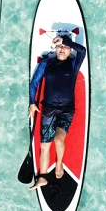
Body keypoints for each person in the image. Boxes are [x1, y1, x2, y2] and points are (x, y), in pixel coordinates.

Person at [28, 33, 86, 190]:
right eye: (60, 46)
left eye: (66, 47)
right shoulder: (46, 63)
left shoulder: (73, 64)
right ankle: (43, 177)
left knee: (58, 139)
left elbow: (82, 51)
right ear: (55, 48)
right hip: (48, 110)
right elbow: (34, 83)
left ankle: (59, 163)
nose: (63, 49)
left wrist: (65, 40)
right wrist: (32, 103)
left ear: (70, 51)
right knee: (44, 145)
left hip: (66, 110)